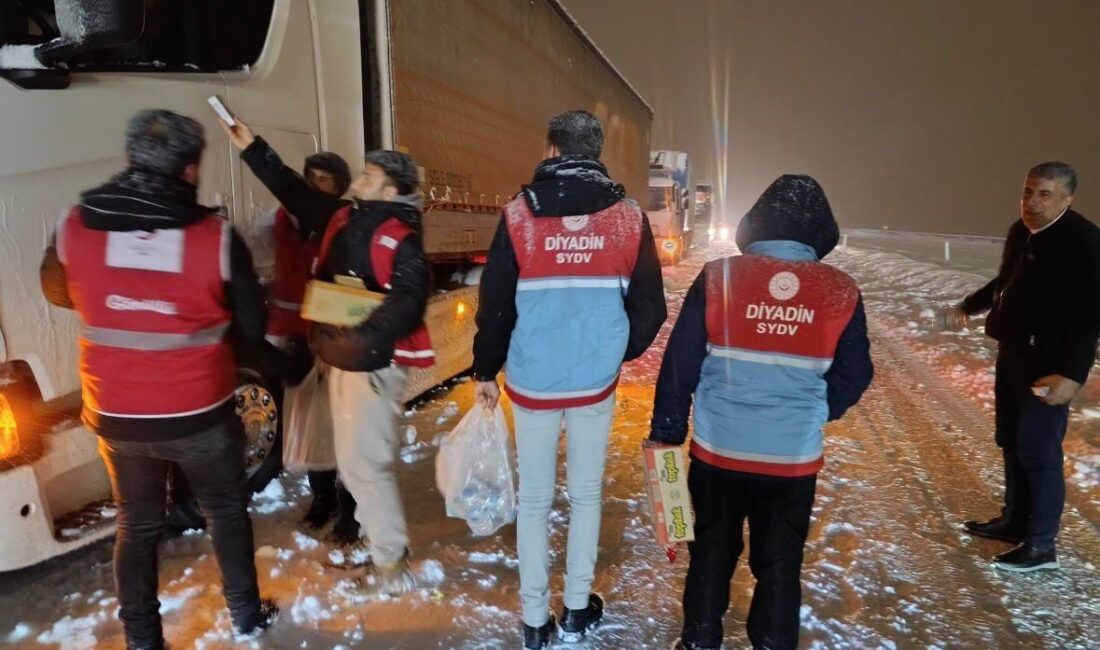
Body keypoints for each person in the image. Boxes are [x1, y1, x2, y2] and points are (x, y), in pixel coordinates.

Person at [39, 109, 278, 649]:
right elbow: (251, 327)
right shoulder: (216, 238)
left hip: (118, 414)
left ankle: (143, 639)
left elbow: (58, 291)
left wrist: (122, 300)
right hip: (200, 412)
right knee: (225, 511)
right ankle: (245, 616)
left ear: (129, 159)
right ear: (190, 171)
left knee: (138, 524)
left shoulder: (73, 225)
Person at [648, 175, 873, 650]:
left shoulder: (718, 277)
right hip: (792, 460)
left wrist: (666, 431)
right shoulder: (840, 290)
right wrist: (811, 411)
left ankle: (700, 638)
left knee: (710, 553)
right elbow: (855, 375)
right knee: (780, 563)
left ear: (755, 225)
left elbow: (680, 364)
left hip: (718, 453)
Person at [472, 109, 667, 649]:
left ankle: (535, 621)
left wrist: (485, 368)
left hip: (532, 382)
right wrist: (611, 351)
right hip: (593, 385)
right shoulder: (629, 219)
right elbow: (651, 307)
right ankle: (578, 609)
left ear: (553, 151)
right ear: (596, 152)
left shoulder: (517, 215)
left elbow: (495, 305)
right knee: (585, 495)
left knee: (534, 499)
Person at [222, 116, 432, 595]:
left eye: (368, 177)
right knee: (352, 462)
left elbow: (408, 301)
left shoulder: (400, 236)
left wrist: (359, 340)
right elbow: (294, 192)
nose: (357, 181)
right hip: (342, 357)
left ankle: (391, 567)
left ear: (392, 189)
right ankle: (381, 544)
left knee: (365, 465)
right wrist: (254, 147)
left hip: (372, 366)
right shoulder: (345, 216)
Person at [940, 162, 1100, 572]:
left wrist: (1073, 375)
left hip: (1048, 365)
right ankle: (1015, 520)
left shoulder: (1082, 241)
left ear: (1067, 198)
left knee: (1038, 450)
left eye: (1045, 194)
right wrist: (969, 307)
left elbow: (1089, 314)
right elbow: (1005, 283)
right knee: (1010, 439)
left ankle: (1041, 545)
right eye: (1028, 191)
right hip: (1013, 353)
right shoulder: (1021, 232)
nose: (1032, 202)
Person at [263, 149, 360, 542]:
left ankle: (350, 507)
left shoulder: (345, 223)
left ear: (338, 187)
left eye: (323, 179)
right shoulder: (282, 220)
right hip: (294, 339)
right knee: (309, 427)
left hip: (334, 339)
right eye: (310, 177)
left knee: (343, 428)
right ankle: (322, 498)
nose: (314, 185)